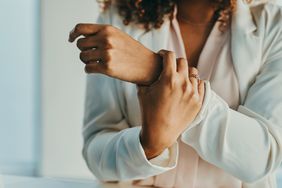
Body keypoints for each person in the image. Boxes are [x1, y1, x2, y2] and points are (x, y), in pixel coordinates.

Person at [68, 0, 282, 187]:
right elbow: (96, 152)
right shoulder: (118, 17)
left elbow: (262, 158)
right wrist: (148, 147)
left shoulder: (273, 24)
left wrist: (154, 71)